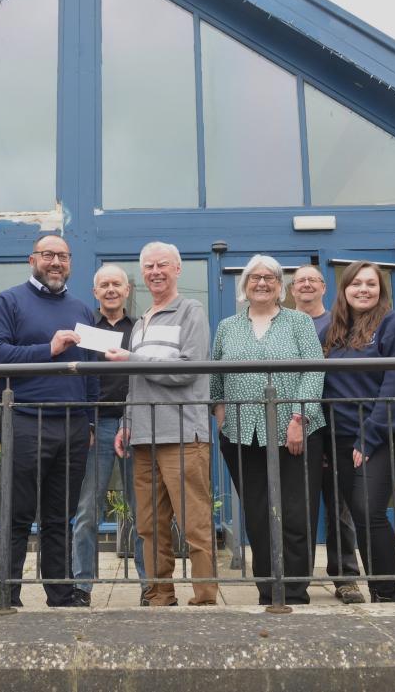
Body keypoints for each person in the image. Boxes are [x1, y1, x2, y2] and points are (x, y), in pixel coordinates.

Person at [0, 234, 98, 608]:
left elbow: (90, 368)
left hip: (73, 424)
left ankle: (60, 595)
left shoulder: (81, 308)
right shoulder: (8, 302)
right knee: (16, 512)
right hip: (26, 420)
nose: (56, 263)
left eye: (63, 256)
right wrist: (48, 349)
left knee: (60, 517)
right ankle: (5, 594)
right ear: (33, 259)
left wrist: (90, 420)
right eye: (48, 255)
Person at [107, 242, 217, 607]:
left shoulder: (191, 310)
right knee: (148, 525)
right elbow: (135, 382)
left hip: (183, 434)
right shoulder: (140, 322)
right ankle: (159, 595)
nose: (155, 271)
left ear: (178, 269)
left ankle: (204, 598)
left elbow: (189, 369)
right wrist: (126, 422)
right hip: (142, 437)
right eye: (149, 266)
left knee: (194, 523)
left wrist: (132, 359)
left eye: (163, 265)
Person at [212, 255, 325, 605]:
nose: (261, 283)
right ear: (245, 286)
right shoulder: (227, 326)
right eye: (254, 278)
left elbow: (314, 370)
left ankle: (294, 589)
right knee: (258, 514)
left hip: (296, 431)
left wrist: (298, 418)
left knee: (296, 511)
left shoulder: (299, 322)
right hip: (241, 434)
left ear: (280, 286)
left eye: (270, 278)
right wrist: (221, 417)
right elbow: (215, 376)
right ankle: (268, 588)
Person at [321, 261, 395, 603]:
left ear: (381, 290)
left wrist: (370, 436)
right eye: (356, 284)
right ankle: (379, 590)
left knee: (368, 510)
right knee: (360, 515)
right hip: (341, 440)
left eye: (371, 284)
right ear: (344, 290)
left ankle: (390, 594)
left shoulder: (394, 325)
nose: (363, 289)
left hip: (383, 435)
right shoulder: (332, 331)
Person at [70, 264, 146, 605]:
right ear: (95, 292)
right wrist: (85, 422)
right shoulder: (85, 331)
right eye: (104, 285)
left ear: (127, 290)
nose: (111, 289)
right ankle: (81, 586)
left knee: (142, 509)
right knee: (88, 509)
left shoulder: (142, 327)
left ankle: (150, 587)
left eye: (117, 284)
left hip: (138, 424)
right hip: (98, 424)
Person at [290, 265, 365, 605]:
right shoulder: (284, 325)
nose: (306, 284)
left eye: (313, 280)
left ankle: (345, 577)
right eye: (299, 280)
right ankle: (297, 580)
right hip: (297, 426)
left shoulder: (340, 324)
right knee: (298, 507)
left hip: (338, 425)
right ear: (291, 290)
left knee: (341, 505)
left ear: (324, 288)